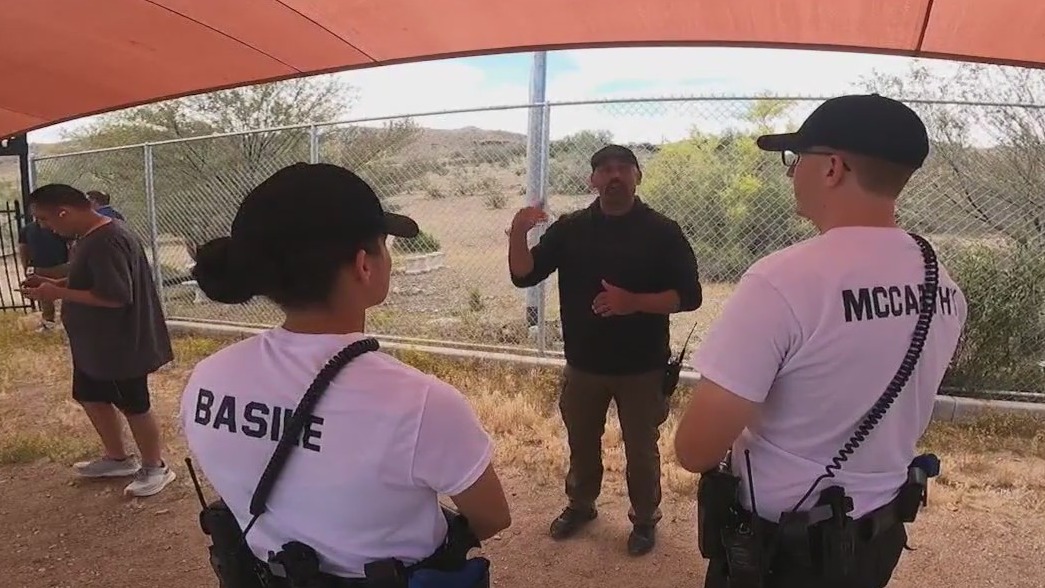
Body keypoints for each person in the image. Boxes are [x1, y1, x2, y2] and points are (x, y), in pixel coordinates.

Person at [672, 94, 967, 588]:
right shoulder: (943, 284)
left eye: (796, 157)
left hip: (781, 551)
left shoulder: (782, 282)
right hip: (877, 538)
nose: (791, 172)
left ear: (832, 167)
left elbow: (696, 450)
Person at [179, 162, 511, 582]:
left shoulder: (207, 379)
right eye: (384, 245)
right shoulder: (421, 403)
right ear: (363, 265)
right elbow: (492, 517)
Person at [508, 144, 702, 556]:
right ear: (592, 180)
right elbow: (524, 275)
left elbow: (690, 296)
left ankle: (645, 519)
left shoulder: (662, 231)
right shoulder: (571, 229)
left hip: (643, 367)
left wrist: (633, 302)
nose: (615, 175)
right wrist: (518, 232)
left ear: (637, 177)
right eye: (606, 169)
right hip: (584, 365)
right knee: (581, 443)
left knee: (642, 452)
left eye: (623, 168)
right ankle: (581, 506)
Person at [20, 184, 176, 497]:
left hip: (119, 344)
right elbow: (91, 278)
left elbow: (115, 296)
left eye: (45, 219)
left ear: (64, 212)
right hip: (94, 345)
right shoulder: (92, 237)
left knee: (134, 404)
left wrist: (57, 293)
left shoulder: (107, 240)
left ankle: (155, 467)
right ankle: (118, 459)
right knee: (90, 396)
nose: (45, 228)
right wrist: (53, 281)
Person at [17, 219, 71, 330]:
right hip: (41, 267)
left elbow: (70, 245)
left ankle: (67, 320)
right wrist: (26, 266)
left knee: (67, 294)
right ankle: (48, 322)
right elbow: (23, 249)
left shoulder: (57, 226)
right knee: (45, 297)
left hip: (60, 265)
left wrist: (70, 263)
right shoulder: (26, 229)